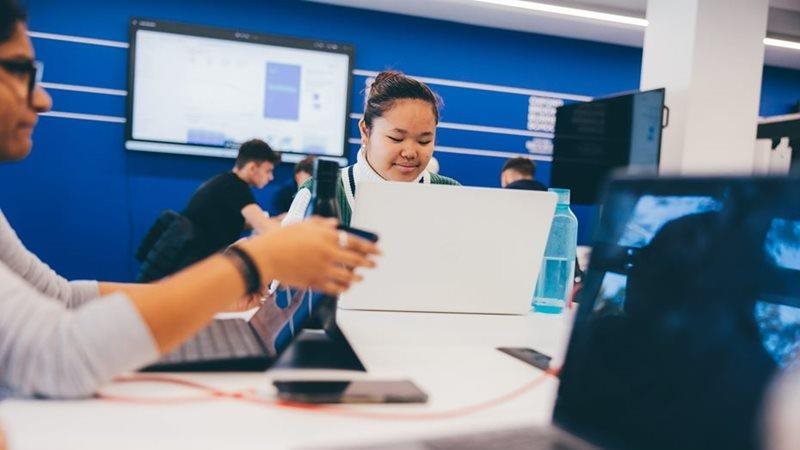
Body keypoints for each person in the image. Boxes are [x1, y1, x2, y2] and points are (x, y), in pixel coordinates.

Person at [0, 0, 379, 399]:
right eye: (21, 70)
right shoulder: (232, 187)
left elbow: (61, 296)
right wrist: (254, 262)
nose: (42, 99)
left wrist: (211, 294)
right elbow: (57, 357)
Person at [283, 71, 460, 227]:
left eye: (424, 141)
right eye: (396, 138)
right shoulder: (320, 192)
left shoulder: (452, 194)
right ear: (365, 131)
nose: (410, 153)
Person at [183, 138, 281, 257]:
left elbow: (240, 222)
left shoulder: (226, 181)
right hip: (196, 266)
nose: (271, 177)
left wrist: (276, 220)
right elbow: (266, 228)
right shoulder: (235, 187)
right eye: (268, 171)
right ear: (252, 168)